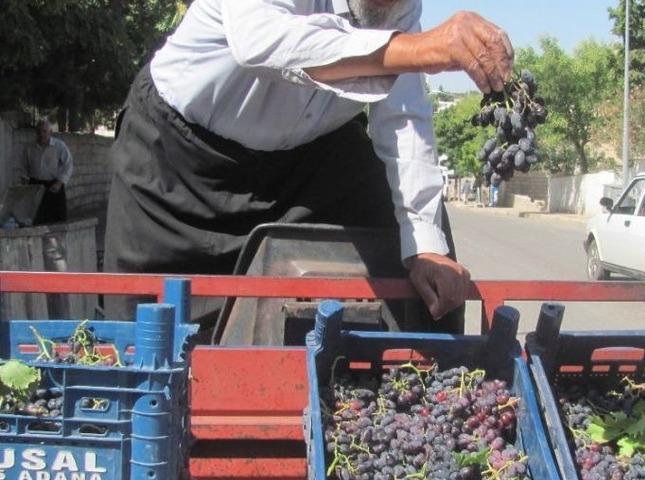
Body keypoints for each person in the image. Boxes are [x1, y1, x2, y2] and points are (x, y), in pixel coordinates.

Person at [103, 0, 514, 330]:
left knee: (425, 239)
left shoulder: (401, 8)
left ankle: (431, 395)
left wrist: (424, 245)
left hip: (307, 164)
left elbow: (402, 118)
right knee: (149, 335)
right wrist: (419, 49)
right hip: (177, 164)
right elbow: (260, 40)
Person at [17, 118, 73, 225]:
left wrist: (60, 182)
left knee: (58, 221)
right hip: (35, 186)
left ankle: (58, 241)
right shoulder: (29, 148)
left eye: (44, 131)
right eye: (39, 132)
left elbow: (68, 164)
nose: (41, 134)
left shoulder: (59, 146)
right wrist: (24, 180)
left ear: (50, 132)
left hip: (54, 186)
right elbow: (22, 167)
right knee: (36, 220)